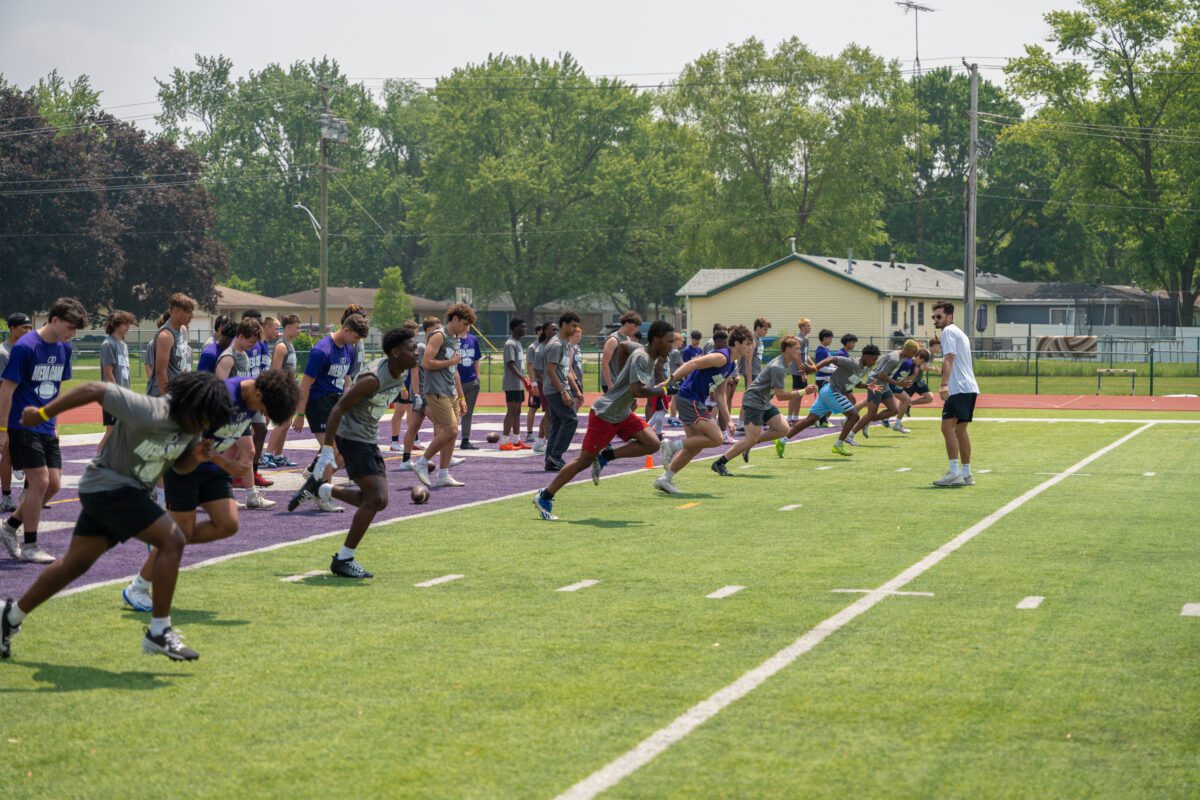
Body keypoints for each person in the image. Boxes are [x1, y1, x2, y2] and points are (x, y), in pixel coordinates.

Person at [1, 371, 234, 661]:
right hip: (108, 485)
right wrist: (43, 414)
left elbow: (181, 467)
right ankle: (159, 632)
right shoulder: (150, 409)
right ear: (191, 404)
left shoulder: (192, 427)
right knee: (174, 540)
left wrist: (196, 457)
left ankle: (9, 616)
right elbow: (93, 388)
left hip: (121, 493)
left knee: (73, 565)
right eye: (204, 419)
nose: (205, 426)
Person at [121, 369, 299, 612]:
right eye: (263, 409)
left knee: (228, 523)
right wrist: (227, 464)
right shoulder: (221, 397)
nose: (260, 413)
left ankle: (164, 540)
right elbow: (191, 439)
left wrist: (243, 449)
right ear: (258, 394)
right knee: (179, 534)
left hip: (211, 466)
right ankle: (138, 588)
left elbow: (236, 427)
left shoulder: (253, 397)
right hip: (184, 463)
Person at [289, 328, 419, 577]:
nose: (416, 352)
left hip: (368, 438)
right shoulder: (372, 379)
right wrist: (328, 448)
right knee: (375, 499)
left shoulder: (400, 370)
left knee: (377, 500)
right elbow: (338, 409)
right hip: (352, 438)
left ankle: (321, 488)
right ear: (395, 352)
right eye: (411, 349)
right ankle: (343, 558)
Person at [533, 321, 675, 520]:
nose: (672, 346)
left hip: (622, 412)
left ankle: (606, 456)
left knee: (652, 443)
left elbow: (623, 347)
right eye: (669, 341)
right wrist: (666, 389)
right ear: (657, 339)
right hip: (605, 414)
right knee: (583, 461)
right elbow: (637, 391)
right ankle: (544, 495)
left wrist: (619, 380)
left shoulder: (642, 349)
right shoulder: (643, 357)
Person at [0, 297, 88, 564]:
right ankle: (30, 545)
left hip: (47, 426)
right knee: (39, 482)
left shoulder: (65, 348)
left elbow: (56, 390)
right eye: (70, 327)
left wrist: (55, 424)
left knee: (54, 485)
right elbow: (7, 388)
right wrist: (3, 429)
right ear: (55, 320)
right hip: (21, 424)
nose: (71, 334)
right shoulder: (25, 347)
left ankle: (10, 526)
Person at [654, 325, 754, 495]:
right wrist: (670, 381)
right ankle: (672, 445)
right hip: (689, 398)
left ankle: (665, 479)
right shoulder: (721, 357)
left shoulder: (730, 364)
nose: (750, 347)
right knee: (716, 438)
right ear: (737, 343)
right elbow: (692, 363)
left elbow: (721, 395)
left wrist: (729, 419)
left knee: (695, 446)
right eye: (747, 343)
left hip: (693, 400)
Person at [292, 314, 369, 511]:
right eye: (356, 337)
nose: (356, 341)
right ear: (347, 330)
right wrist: (300, 415)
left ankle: (314, 483)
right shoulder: (321, 351)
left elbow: (347, 379)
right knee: (332, 452)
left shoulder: (349, 349)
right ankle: (321, 495)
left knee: (342, 454)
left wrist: (348, 403)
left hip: (336, 403)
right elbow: (305, 384)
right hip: (319, 403)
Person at [712, 335, 811, 474]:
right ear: (787, 349)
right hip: (753, 402)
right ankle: (719, 463)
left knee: (783, 429)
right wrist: (803, 391)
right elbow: (781, 396)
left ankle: (750, 444)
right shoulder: (779, 367)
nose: (799, 352)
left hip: (763, 401)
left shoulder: (786, 362)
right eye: (797, 349)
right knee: (750, 439)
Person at [411, 304, 473, 488]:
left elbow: (454, 371)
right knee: (451, 430)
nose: (466, 328)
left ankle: (443, 474)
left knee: (452, 435)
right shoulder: (439, 335)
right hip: (436, 390)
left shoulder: (455, 339)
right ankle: (422, 463)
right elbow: (426, 362)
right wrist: (451, 361)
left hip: (451, 391)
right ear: (454, 319)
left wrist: (461, 397)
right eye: (464, 323)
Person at [784, 344, 880, 456]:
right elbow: (831, 359)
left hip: (828, 391)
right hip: (831, 391)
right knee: (854, 416)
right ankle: (838, 445)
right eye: (873, 359)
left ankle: (782, 440)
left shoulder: (865, 368)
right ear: (866, 356)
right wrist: (813, 369)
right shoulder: (853, 362)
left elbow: (856, 382)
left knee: (810, 420)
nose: (874, 362)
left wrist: (867, 386)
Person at [932, 302, 980, 487]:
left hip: (958, 387)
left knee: (947, 428)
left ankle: (954, 473)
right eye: (934, 317)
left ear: (949, 317)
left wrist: (944, 384)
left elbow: (949, 357)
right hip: (968, 387)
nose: (936, 320)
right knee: (960, 430)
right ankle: (966, 474)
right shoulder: (958, 332)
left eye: (939, 316)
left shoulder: (948, 332)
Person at [850, 339, 919, 440]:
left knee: (894, 410)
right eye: (913, 353)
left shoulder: (899, 356)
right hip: (876, 384)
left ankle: (866, 421)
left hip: (883, 384)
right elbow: (881, 375)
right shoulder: (895, 359)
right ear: (907, 350)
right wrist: (898, 383)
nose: (913, 356)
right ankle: (850, 435)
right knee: (870, 414)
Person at [0, 313, 34, 513]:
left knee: (33, 453)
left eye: (30, 328)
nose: (28, 332)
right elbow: (3, 387)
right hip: (10, 411)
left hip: (27, 410)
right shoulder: (3, 352)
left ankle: (28, 493)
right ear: (13, 328)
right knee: (8, 454)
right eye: (24, 328)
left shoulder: (28, 350)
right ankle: (6, 496)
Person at [541, 312, 583, 472]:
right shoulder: (557, 344)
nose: (575, 329)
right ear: (564, 324)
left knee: (558, 423)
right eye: (572, 325)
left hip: (560, 388)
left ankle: (550, 459)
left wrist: (576, 390)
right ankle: (556, 456)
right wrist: (563, 392)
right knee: (571, 420)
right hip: (555, 390)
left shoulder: (565, 343)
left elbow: (565, 370)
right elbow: (551, 371)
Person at [396, 317, 439, 468]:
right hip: (423, 393)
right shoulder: (420, 347)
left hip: (424, 392)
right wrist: (418, 394)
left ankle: (406, 461)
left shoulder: (428, 346)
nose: (439, 331)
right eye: (436, 328)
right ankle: (438, 457)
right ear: (428, 330)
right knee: (442, 424)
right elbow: (415, 372)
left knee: (413, 427)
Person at [265, 314, 302, 466]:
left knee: (287, 424)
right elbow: (275, 371)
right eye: (297, 327)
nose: (299, 330)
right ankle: (267, 454)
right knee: (283, 423)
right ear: (288, 328)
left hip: (290, 388)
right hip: (282, 389)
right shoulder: (281, 346)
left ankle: (278, 455)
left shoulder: (290, 344)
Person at [98, 311, 135, 451]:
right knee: (112, 431)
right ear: (116, 324)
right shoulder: (108, 344)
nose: (128, 326)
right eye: (125, 323)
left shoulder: (123, 345)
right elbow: (108, 372)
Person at [146, 293, 195, 397]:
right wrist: (168, 401)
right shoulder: (166, 336)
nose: (191, 317)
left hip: (178, 392)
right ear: (175, 311)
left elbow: (182, 363)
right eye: (188, 312)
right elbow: (161, 373)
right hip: (162, 395)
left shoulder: (183, 330)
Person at [501, 318, 532, 450]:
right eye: (522, 327)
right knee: (511, 411)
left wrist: (523, 379)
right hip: (512, 383)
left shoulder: (518, 343)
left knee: (518, 412)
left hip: (518, 383)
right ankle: (504, 442)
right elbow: (510, 364)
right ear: (514, 328)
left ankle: (516, 440)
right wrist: (523, 378)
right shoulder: (510, 344)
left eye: (525, 327)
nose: (524, 329)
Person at [739, 318, 771, 432]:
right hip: (751, 373)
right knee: (751, 397)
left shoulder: (759, 339)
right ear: (757, 328)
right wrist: (749, 380)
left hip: (757, 372)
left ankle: (762, 421)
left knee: (761, 397)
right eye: (764, 329)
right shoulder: (752, 340)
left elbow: (758, 359)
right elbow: (748, 361)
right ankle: (741, 423)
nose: (766, 332)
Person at [530, 322, 557, 454]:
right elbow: (537, 372)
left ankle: (540, 441)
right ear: (545, 331)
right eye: (552, 329)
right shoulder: (540, 349)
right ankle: (547, 441)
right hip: (546, 385)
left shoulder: (553, 346)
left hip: (553, 384)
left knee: (549, 413)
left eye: (556, 329)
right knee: (549, 414)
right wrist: (548, 382)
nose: (555, 332)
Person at [456, 325, 483, 450]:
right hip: (456, 383)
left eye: (468, 324)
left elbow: (476, 359)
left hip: (471, 382)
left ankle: (465, 440)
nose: (467, 326)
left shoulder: (473, 339)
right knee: (453, 413)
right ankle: (448, 439)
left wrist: (478, 377)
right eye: (464, 323)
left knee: (468, 413)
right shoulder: (452, 339)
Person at [602, 311, 640, 392]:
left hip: (622, 383)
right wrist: (610, 384)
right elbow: (605, 363)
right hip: (613, 383)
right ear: (627, 324)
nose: (637, 330)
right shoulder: (613, 340)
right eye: (635, 326)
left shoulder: (628, 339)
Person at [787, 318, 816, 423]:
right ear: (802, 327)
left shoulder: (806, 338)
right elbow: (797, 357)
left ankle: (795, 418)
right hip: (797, 370)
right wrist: (802, 372)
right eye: (808, 325)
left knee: (801, 394)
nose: (810, 327)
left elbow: (805, 355)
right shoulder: (798, 339)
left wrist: (813, 364)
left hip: (803, 368)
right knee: (795, 394)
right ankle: (789, 418)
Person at [811, 329, 835, 427]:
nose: (831, 340)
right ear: (824, 338)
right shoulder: (821, 351)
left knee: (826, 400)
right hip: (823, 379)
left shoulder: (826, 349)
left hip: (827, 379)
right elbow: (821, 367)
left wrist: (834, 367)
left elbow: (829, 364)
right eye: (829, 338)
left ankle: (820, 420)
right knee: (827, 400)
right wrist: (834, 370)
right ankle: (822, 421)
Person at [524, 324, 543, 444]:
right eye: (542, 331)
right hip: (538, 382)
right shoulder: (533, 347)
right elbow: (529, 366)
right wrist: (533, 384)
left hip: (548, 383)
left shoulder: (549, 346)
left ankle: (548, 433)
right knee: (533, 408)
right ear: (537, 333)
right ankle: (529, 433)